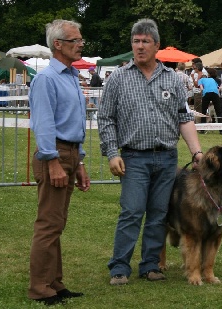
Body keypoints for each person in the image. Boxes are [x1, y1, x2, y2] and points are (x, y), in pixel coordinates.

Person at [97, 18, 203, 286]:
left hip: (167, 157)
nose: (140, 46)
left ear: (156, 46)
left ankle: (150, 265)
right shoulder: (118, 78)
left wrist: (197, 153)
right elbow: (105, 118)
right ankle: (119, 267)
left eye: (145, 41)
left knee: (158, 214)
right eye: (136, 41)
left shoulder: (172, 79)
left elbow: (184, 118)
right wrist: (112, 153)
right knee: (132, 212)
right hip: (133, 156)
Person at [28, 19, 90, 306]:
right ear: (58, 44)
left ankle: (54, 282)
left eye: (79, 40)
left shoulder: (69, 76)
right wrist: (52, 161)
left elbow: (73, 123)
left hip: (69, 154)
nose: (81, 44)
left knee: (57, 223)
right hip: (55, 155)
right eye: (75, 40)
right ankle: (40, 287)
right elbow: (43, 124)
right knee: (49, 224)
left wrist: (79, 163)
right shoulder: (47, 79)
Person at [198, 68, 222, 134]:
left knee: (203, 111)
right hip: (215, 94)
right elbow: (217, 88)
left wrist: (202, 96)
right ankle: (221, 130)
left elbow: (201, 89)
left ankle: (202, 130)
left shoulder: (200, 80)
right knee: (218, 111)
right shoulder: (213, 80)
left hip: (206, 93)